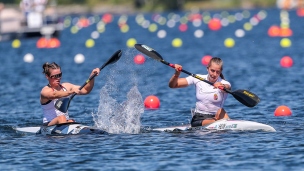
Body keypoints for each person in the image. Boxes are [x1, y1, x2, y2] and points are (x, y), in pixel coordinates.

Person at [168, 57, 231, 127]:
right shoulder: (197, 78)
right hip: (199, 119)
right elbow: (173, 85)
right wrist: (177, 74)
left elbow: (228, 87)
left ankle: (225, 122)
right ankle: (220, 121)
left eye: (218, 72)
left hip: (217, 116)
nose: (214, 74)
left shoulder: (224, 83)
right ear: (207, 68)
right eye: (212, 71)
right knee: (217, 118)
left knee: (221, 111)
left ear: (221, 71)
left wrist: (222, 86)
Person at [40, 62, 100, 126]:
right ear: (47, 76)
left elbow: (86, 90)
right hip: (48, 125)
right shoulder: (45, 91)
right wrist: (70, 92)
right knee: (61, 118)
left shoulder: (66, 86)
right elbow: (54, 95)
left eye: (60, 75)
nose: (58, 78)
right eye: (54, 76)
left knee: (71, 120)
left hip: (64, 122)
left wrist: (92, 76)